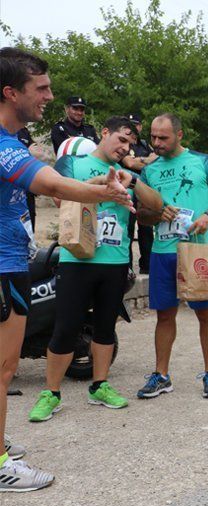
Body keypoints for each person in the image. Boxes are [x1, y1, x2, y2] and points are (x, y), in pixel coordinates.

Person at [0, 47, 133, 491]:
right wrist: (107, 195)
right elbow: (52, 184)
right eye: (40, 88)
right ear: (9, 92)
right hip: (3, 266)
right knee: (2, 366)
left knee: (6, 364)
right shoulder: (1, 145)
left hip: (14, 261)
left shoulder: (14, 142)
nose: (50, 97)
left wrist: (98, 184)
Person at [27, 116, 162, 422]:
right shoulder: (74, 164)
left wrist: (135, 183)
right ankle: (52, 393)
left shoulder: (129, 173)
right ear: (105, 133)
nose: (125, 147)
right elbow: (58, 194)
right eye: (122, 139)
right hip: (77, 260)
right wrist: (100, 184)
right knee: (65, 328)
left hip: (114, 262)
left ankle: (99, 386)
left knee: (105, 328)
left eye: (131, 143)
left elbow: (155, 205)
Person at [135, 113, 208, 399]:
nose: (156, 143)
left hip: (198, 248)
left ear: (180, 135)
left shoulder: (202, 161)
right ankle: (162, 375)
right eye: (153, 137)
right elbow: (141, 215)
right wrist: (155, 213)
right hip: (163, 251)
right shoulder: (149, 171)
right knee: (164, 316)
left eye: (163, 137)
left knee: (205, 314)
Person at [120, 113, 157, 274]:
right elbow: (129, 162)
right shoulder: (124, 144)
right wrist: (148, 160)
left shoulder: (144, 144)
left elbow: (155, 162)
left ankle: (147, 265)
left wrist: (141, 162)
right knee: (127, 228)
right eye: (130, 125)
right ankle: (126, 267)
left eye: (136, 124)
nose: (134, 128)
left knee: (146, 229)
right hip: (128, 191)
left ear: (141, 126)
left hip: (144, 190)